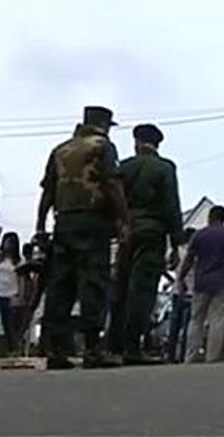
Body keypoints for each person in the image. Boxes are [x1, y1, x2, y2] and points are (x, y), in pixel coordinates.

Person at [35, 105, 131, 369]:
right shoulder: (102, 146)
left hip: (63, 221)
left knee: (61, 284)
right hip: (93, 221)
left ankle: (56, 350)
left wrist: (40, 226)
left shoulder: (61, 150)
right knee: (93, 281)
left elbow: (47, 192)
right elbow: (112, 183)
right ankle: (92, 348)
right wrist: (124, 220)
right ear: (104, 124)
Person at [109, 123, 185, 364]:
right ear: (158, 144)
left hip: (126, 232)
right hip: (152, 232)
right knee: (142, 289)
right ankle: (133, 346)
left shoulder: (125, 167)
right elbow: (171, 205)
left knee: (121, 288)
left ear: (136, 141)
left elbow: (112, 197)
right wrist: (176, 242)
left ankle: (114, 345)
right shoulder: (165, 167)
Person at [178, 206, 224, 363]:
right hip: (222, 281)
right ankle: (212, 357)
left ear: (209, 217)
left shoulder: (199, 235)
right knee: (217, 321)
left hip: (201, 282)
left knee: (196, 319)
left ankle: (191, 355)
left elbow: (189, 259)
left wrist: (181, 278)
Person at [164, 227, 196, 363]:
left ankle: (170, 355)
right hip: (192, 292)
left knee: (175, 326)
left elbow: (166, 266)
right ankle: (183, 355)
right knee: (188, 326)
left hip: (177, 291)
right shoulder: (194, 252)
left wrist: (173, 280)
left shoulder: (176, 251)